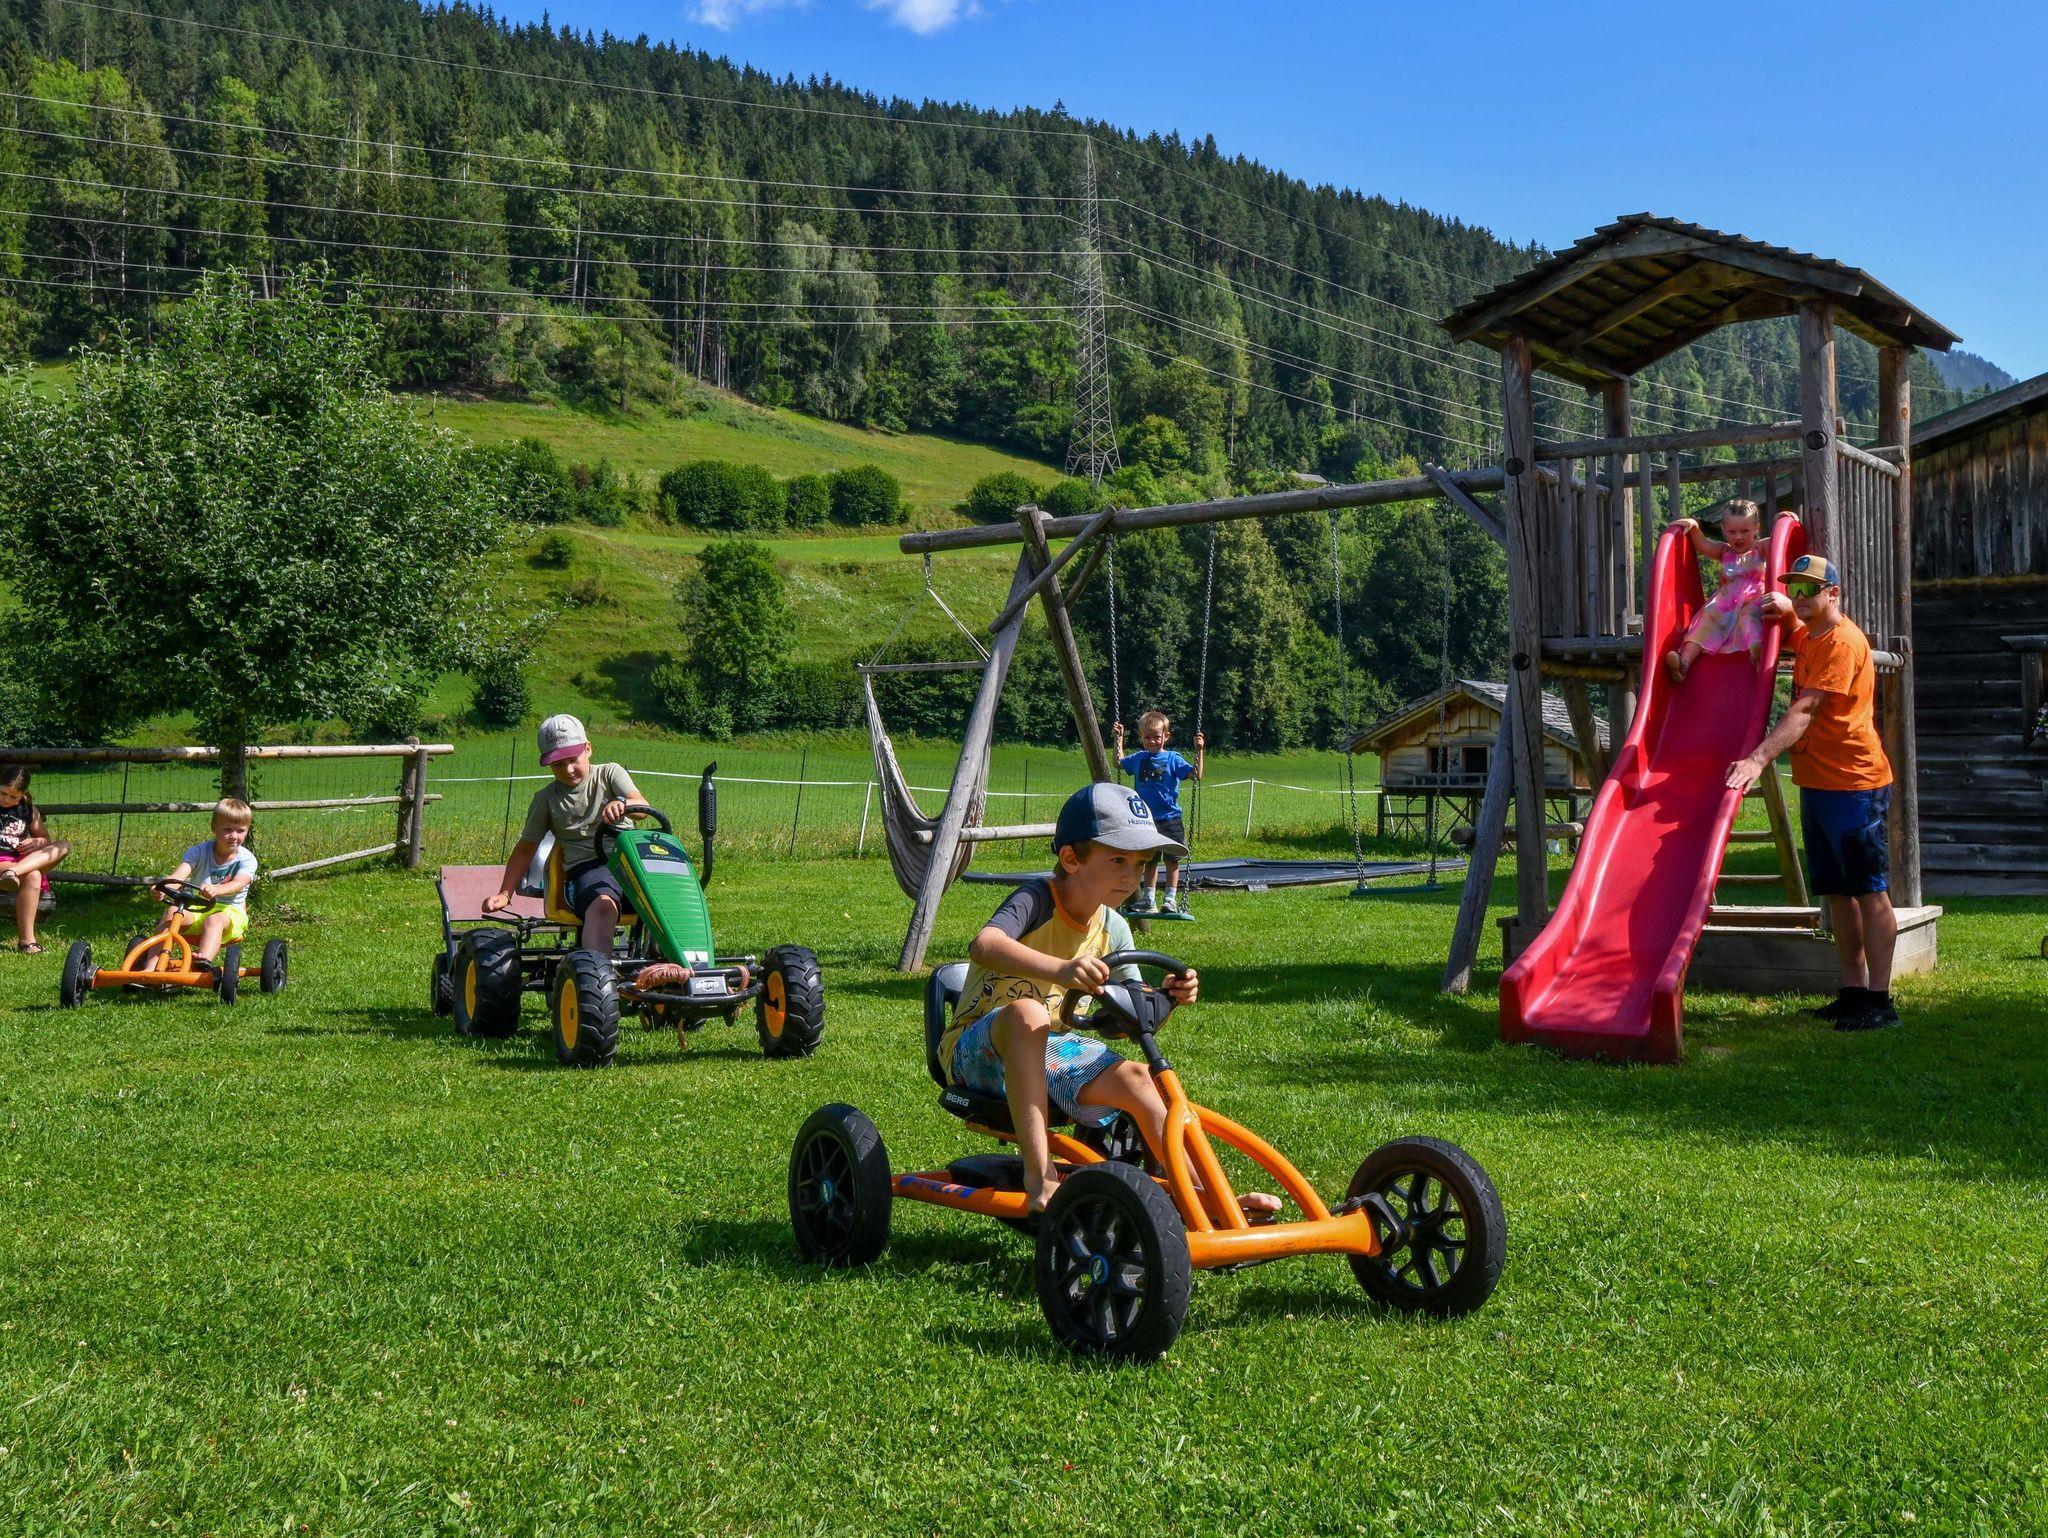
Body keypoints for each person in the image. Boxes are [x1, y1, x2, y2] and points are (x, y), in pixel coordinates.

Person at [942, 782, 1280, 1219]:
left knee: (1139, 1077)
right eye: (1118, 860)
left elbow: (1128, 1017)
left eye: (1140, 863)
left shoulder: (1114, 928)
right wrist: (1061, 969)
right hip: (978, 1054)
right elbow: (984, 944)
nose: (1131, 875)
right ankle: (1040, 1177)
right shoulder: (1037, 898)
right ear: (1071, 859)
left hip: (1052, 1050)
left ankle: (1210, 1201)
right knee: (1028, 1013)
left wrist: (1166, 998)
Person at [1725, 554, 1899, 1031]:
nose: (1799, 597)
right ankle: (1852, 993)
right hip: (1819, 782)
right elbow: (1793, 629)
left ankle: (1881, 1002)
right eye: (1794, 589)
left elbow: (1806, 709)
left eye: (1809, 589)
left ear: (1833, 594)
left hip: (1855, 784)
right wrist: (1786, 612)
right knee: (1837, 894)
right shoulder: (1811, 636)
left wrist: (1759, 758)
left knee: (1869, 891)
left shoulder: (1843, 642)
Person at [484, 714, 653, 953]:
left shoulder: (609, 774)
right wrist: (505, 893)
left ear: (588, 749)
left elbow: (642, 808)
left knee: (670, 897)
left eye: (573, 760)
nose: (568, 770)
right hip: (588, 870)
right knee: (603, 905)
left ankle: (678, 964)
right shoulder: (546, 800)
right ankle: (598, 969)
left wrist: (624, 805)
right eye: (558, 765)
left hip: (631, 863)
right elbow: (525, 849)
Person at [143, 798, 258, 971]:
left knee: (214, 920)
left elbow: (239, 883)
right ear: (214, 827)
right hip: (198, 907)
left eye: (240, 831)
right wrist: (163, 889)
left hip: (231, 912)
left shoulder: (247, 859)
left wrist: (217, 889)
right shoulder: (199, 851)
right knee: (172, 912)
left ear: (247, 831)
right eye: (227, 830)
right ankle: (151, 968)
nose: (234, 836)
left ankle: (202, 962)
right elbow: (179, 876)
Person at [1111, 710, 1204, 916]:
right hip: (1145, 820)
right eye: (1147, 737)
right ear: (1141, 737)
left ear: (1166, 736)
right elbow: (1118, 762)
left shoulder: (1173, 758)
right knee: (1149, 861)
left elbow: (1196, 774)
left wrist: (1199, 750)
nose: (1152, 741)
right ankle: (1148, 899)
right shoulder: (1139, 758)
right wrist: (1119, 738)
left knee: (1172, 860)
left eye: (1156, 737)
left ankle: (1170, 899)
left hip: (1170, 818)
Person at [1665, 499, 1767, 684]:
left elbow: (1780, 543)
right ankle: (1683, 664)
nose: (1738, 537)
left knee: (1750, 620)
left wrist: (1785, 518)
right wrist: (1694, 527)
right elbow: (1703, 545)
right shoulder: (1724, 551)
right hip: (1725, 604)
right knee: (1706, 620)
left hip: (1753, 601)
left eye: (1744, 531)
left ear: (1756, 528)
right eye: (1732, 532)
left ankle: (1758, 654)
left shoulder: (1760, 548)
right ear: (1723, 530)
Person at [0, 765, 69, 954]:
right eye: (3, 793)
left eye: (13, 796)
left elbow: (46, 839)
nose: (6, 799)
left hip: (20, 862)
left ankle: (12, 873)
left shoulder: (29, 810)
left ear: (23, 794)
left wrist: (37, 841)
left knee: (63, 845)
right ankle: (27, 942)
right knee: (34, 875)